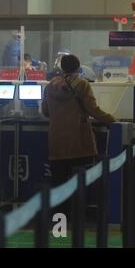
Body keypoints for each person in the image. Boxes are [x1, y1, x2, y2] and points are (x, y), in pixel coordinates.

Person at [42, 54, 115, 215]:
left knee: (58, 182)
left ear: (62, 67)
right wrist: (111, 119)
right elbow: (92, 110)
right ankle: (77, 218)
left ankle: (59, 219)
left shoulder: (50, 86)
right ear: (78, 67)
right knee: (79, 181)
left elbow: (45, 111)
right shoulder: (82, 84)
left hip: (57, 141)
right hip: (78, 142)